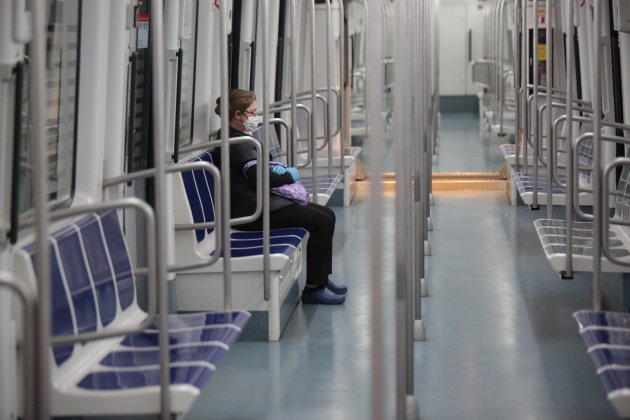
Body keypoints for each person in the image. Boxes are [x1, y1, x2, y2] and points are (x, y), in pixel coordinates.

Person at [213, 89, 347, 304]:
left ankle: (321, 278)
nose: (256, 117)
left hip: (260, 202)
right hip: (252, 212)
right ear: (239, 115)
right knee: (321, 221)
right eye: (252, 112)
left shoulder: (237, 137)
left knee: (327, 214)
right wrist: (287, 175)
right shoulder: (235, 144)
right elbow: (262, 178)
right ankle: (314, 289)